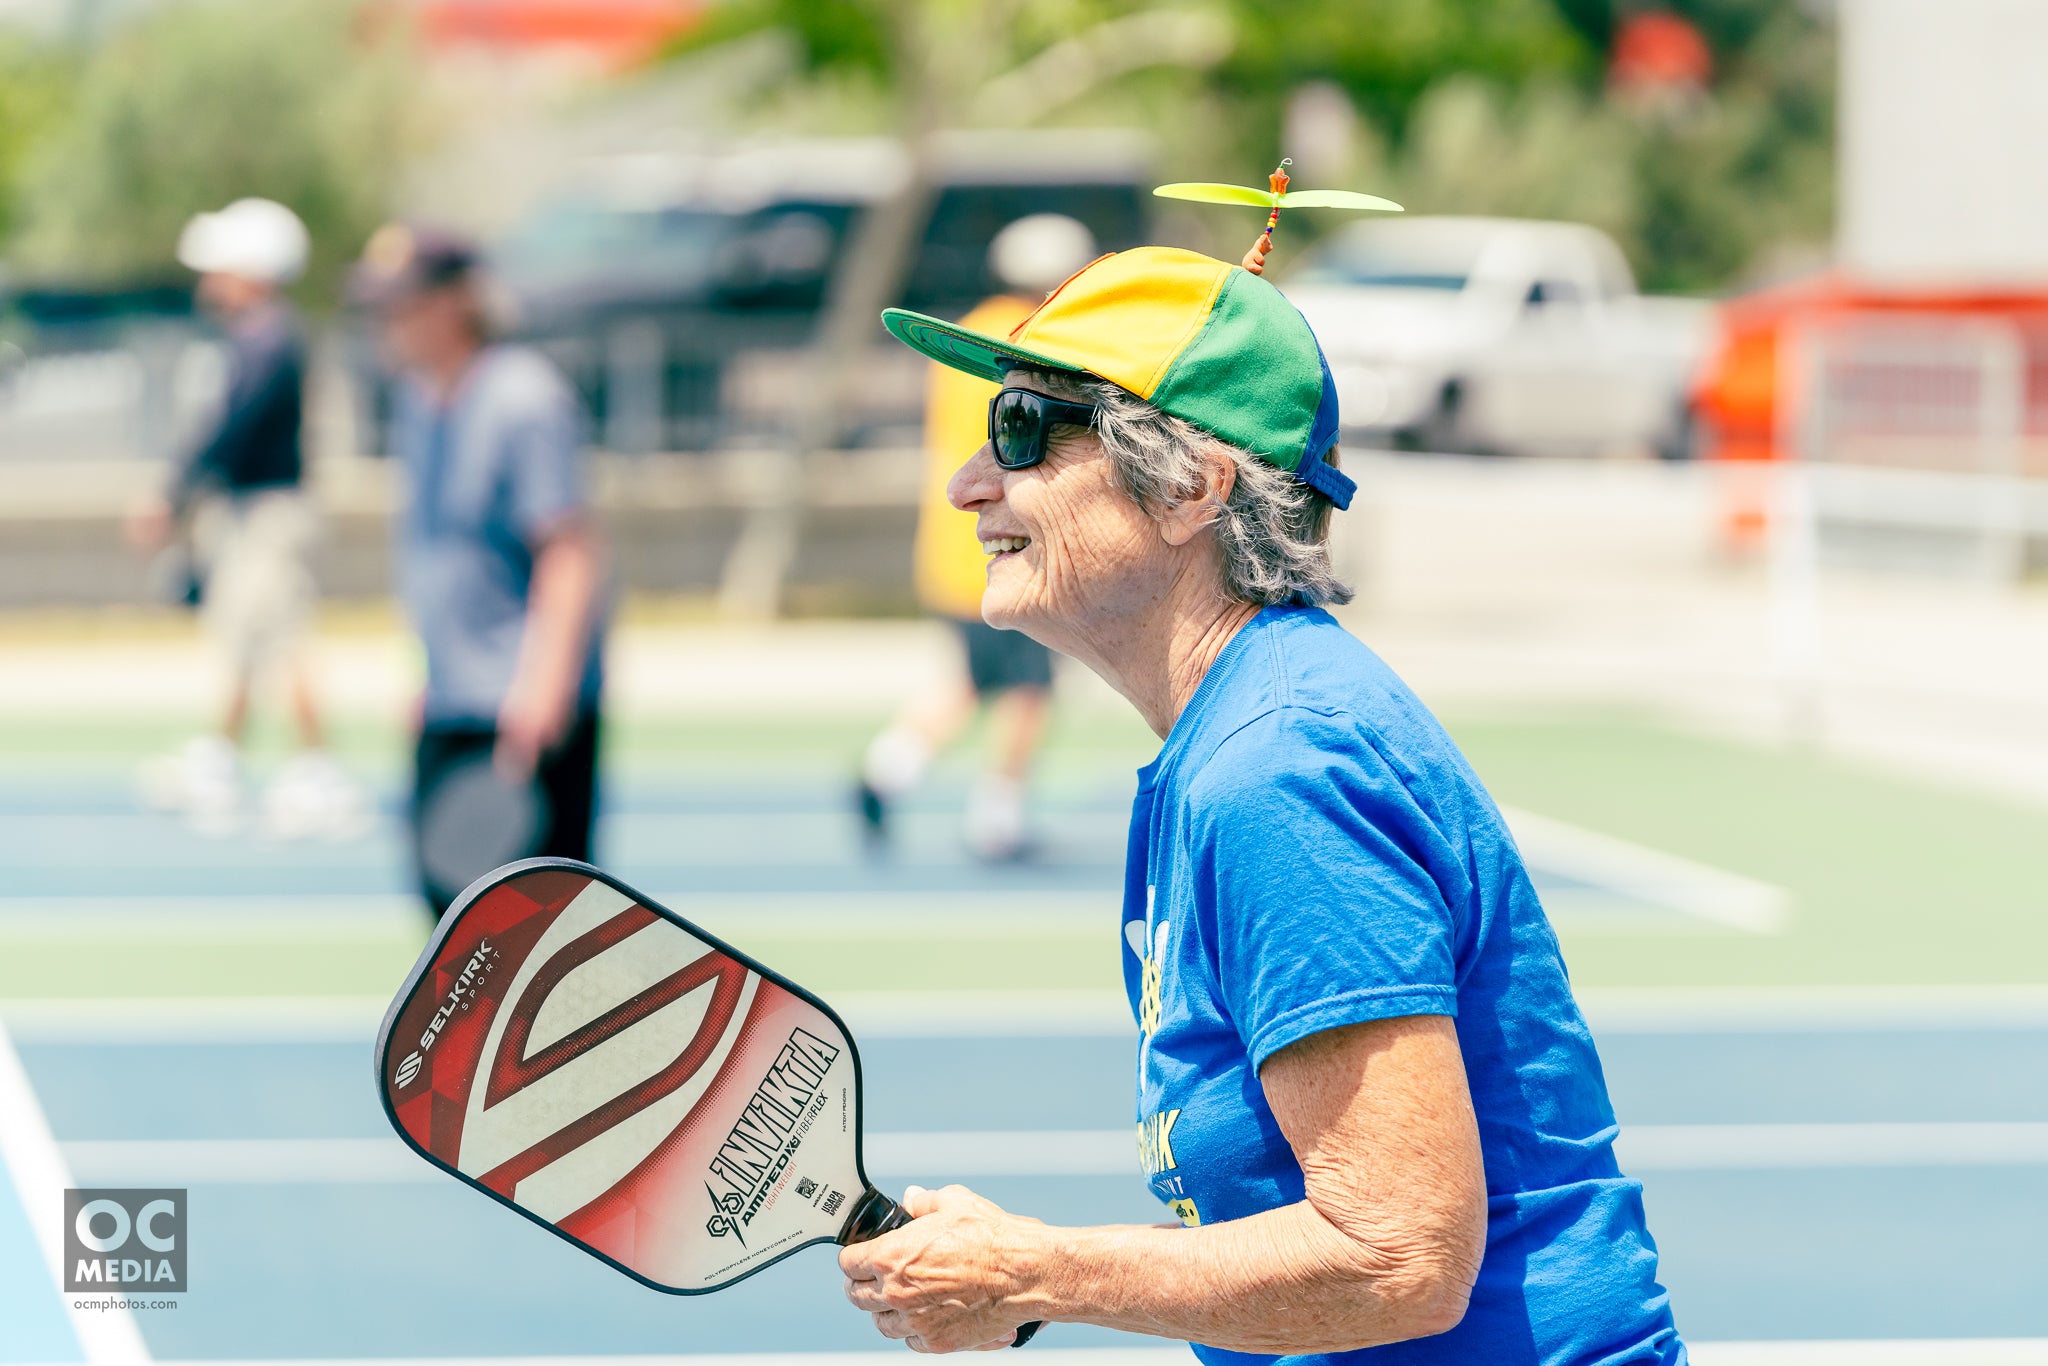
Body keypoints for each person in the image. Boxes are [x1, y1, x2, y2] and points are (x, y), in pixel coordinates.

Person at [837, 247, 1686, 1363]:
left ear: (1192, 486)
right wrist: (1025, 1278)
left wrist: (1032, 1268)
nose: (968, 482)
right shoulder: (1236, 735)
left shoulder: (1276, 770)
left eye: (1023, 428)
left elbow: (1397, 1256)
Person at [351, 224, 609, 919]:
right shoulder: (419, 400)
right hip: (451, 701)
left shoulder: (524, 398)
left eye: (404, 304)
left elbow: (568, 549)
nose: (389, 323)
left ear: (458, 301)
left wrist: (542, 691)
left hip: (519, 712)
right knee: (448, 928)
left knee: (540, 942)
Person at [855, 214, 1098, 860]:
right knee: (1030, 688)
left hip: (949, 542)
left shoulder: (969, 333)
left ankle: (889, 766)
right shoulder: (1033, 344)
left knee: (975, 680)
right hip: (1006, 540)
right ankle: (997, 818)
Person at [131, 197, 364, 838]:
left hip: (269, 510)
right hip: (249, 508)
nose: (209, 280)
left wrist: (173, 494)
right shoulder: (255, 337)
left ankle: (320, 772)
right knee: (245, 637)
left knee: (281, 638)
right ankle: (224, 756)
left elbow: (228, 429)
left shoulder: (270, 339)